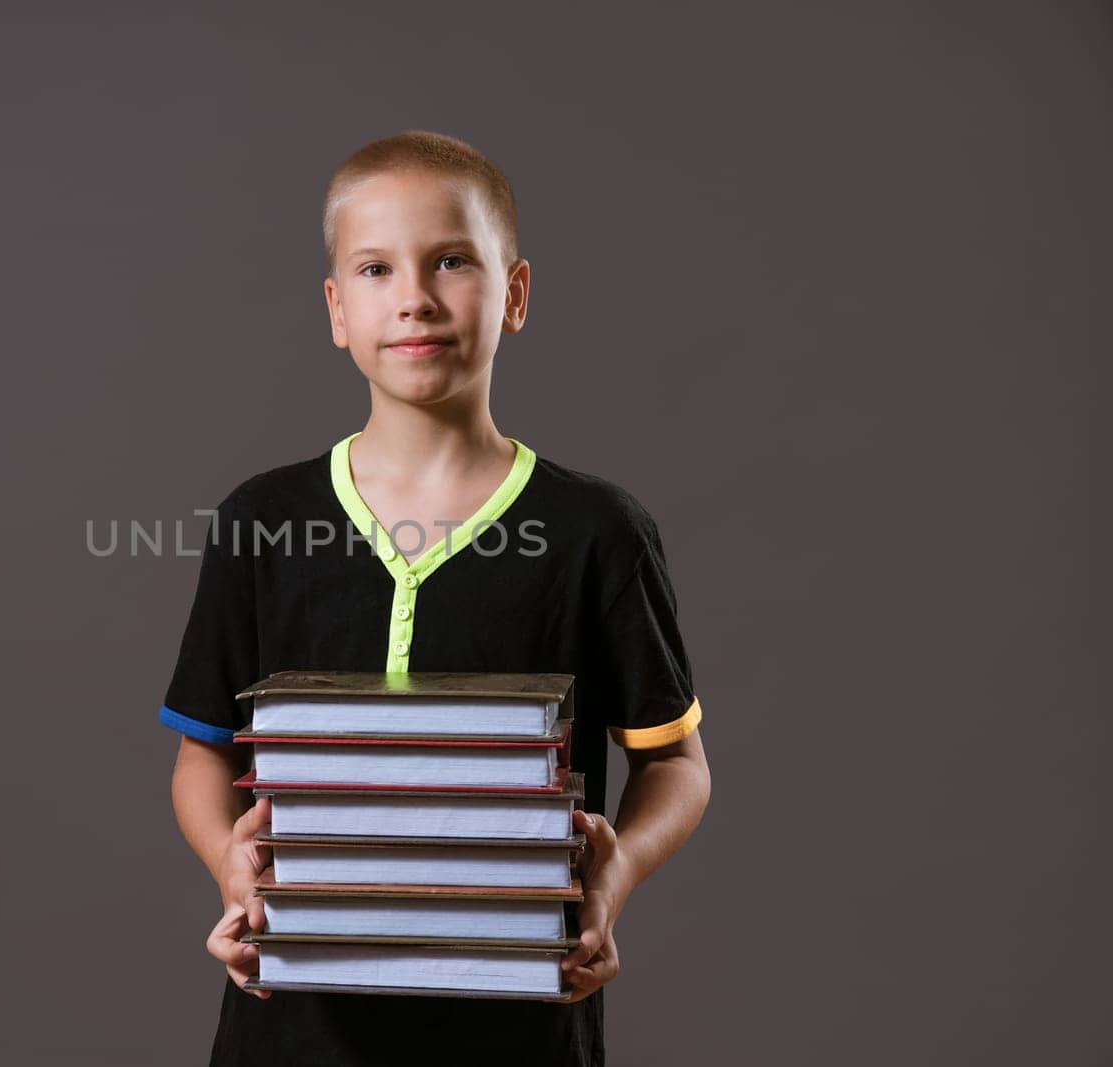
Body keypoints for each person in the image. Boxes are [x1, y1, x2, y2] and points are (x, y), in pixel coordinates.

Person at [159, 129, 712, 1067]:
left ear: (516, 293)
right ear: (336, 309)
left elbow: (678, 763)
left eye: (452, 260)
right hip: (293, 1027)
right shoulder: (264, 517)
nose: (414, 295)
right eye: (375, 269)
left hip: (522, 1019)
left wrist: (614, 871)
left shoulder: (597, 530)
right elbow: (199, 755)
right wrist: (229, 864)